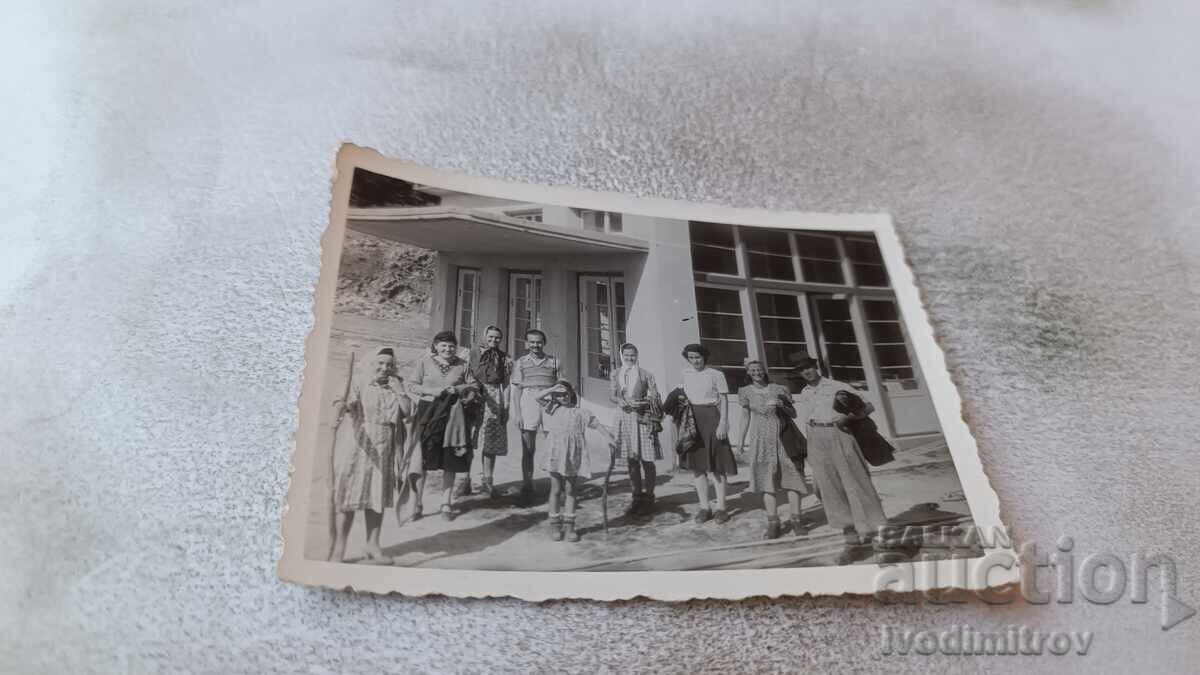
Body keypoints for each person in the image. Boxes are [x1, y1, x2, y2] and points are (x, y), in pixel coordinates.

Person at [792, 355, 888, 565]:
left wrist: (850, 417)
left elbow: (869, 406)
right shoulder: (805, 392)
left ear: (815, 367)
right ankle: (852, 544)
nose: (806, 372)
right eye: (801, 370)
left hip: (840, 435)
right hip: (816, 439)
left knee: (858, 485)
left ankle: (879, 541)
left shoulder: (837, 386)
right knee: (830, 491)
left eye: (808, 367)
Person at [331, 348, 410, 564]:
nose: (385, 368)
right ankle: (340, 547)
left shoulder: (393, 388)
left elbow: (408, 412)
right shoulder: (358, 381)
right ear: (370, 363)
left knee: (377, 497)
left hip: (384, 446)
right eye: (381, 363)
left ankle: (372, 544)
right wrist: (346, 406)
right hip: (358, 445)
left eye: (389, 365)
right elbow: (346, 402)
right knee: (349, 495)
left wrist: (400, 389)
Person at [405, 331, 479, 521]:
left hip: (453, 415)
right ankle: (416, 504)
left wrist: (459, 389)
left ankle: (446, 502)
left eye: (451, 346)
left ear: (456, 348)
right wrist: (433, 391)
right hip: (428, 413)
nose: (448, 349)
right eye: (443, 345)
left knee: (450, 458)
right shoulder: (424, 362)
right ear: (436, 346)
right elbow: (412, 385)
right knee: (422, 459)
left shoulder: (463, 365)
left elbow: (474, 386)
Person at [735, 359, 811, 539]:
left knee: (792, 478)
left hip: (783, 438)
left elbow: (793, 413)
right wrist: (740, 442)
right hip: (760, 440)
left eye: (759, 369)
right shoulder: (745, 392)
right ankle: (773, 522)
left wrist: (782, 405)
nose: (756, 373)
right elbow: (745, 417)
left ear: (764, 370)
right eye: (752, 370)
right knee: (766, 481)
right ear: (748, 373)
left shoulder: (779, 388)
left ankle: (796, 520)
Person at [536, 381, 616, 542]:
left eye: (566, 393)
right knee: (556, 489)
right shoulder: (553, 408)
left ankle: (570, 527)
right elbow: (538, 397)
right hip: (556, 454)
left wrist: (609, 438)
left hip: (573, 455)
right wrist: (552, 389)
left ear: (572, 393)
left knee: (571, 491)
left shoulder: (582, 412)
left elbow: (597, 425)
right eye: (559, 395)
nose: (563, 397)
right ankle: (555, 526)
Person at [677, 343, 737, 524]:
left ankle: (721, 507)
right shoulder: (685, 374)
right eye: (691, 358)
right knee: (697, 466)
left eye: (698, 357)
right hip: (691, 420)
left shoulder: (716, 375)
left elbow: (724, 400)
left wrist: (723, 423)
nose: (695, 361)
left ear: (704, 357)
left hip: (711, 417)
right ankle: (704, 507)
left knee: (716, 465)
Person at [609, 342, 664, 516]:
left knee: (647, 460)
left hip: (642, 418)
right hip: (624, 418)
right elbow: (612, 395)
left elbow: (655, 397)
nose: (629, 358)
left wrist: (643, 402)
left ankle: (649, 497)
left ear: (637, 355)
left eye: (632, 355)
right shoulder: (616, 373)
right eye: (626, 355)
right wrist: (620, 401)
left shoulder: (646, 374)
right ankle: (636, 497)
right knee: (631, 460)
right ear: (621, 356)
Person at [509, 328, 560, 504]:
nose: (535, 345)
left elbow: (561, 385)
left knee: (554, 446)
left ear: (544, 343)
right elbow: (517, 391)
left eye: (538, 342)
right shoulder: (521, 362)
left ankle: (555, 485)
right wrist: (518, 413)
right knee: (528, 448)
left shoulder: (554, 362)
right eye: (531, 342)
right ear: (526, 344)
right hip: (528, 401)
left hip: (549, 403)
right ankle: (527, 484)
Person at [467, 325, 513, 497]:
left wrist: (506, 405)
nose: (494, 340)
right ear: (485, 336)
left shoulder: (504, 358)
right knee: (470, 438)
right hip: (473, 394)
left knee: (490, 440)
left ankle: (488, 481)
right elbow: (466, 374)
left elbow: (506, 383)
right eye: (491, 337)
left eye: (497, 338)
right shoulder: (472, 352)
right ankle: (466, 480)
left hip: (494, 397)